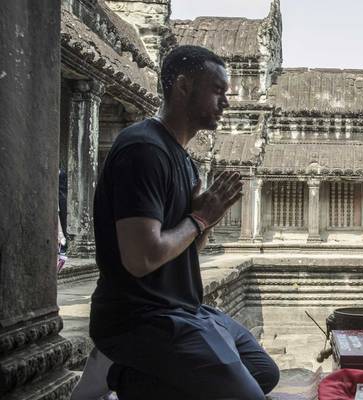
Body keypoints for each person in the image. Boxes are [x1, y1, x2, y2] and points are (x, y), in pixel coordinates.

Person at [73, 45, 279, 400]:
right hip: (138, 317)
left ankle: (132, 370)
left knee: (263, 372)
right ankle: (119, 368)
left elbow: (189, 247)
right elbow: (141, 259)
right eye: (217, 90)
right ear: (183, 86)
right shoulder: (144, 150)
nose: (226, 102)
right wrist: (200, 217)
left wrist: (205, 220)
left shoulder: (181, 158)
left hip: (182, 309)